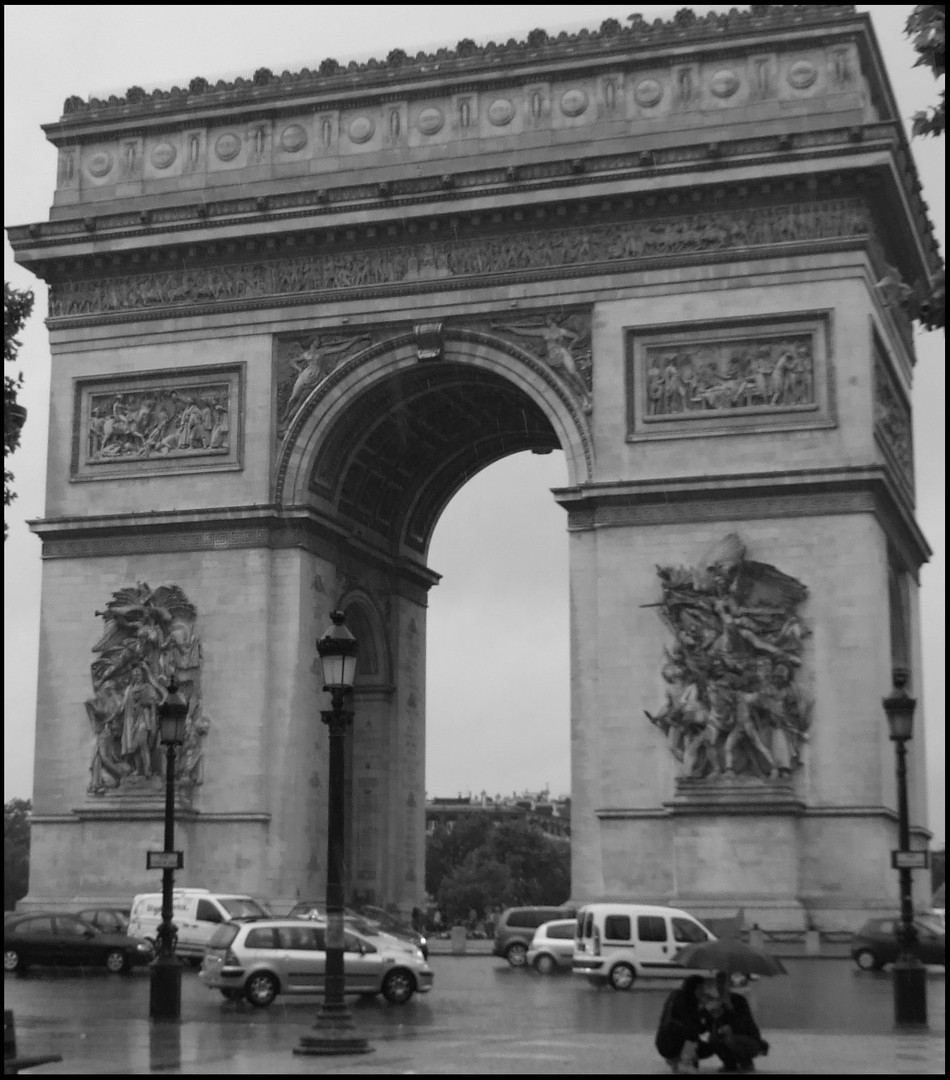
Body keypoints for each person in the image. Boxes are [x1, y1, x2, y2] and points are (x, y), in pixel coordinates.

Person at [702, 973, 770, 1073]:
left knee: (730, 1039)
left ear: (729, 985)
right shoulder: (716, 1003)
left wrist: (730, 1009)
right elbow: (708, 1027)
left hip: (748, 1039)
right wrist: (712, 1016)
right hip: (725, 1037)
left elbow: (744, 1025)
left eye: (724, 984)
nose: (721, 987)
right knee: (714, 1039)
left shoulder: (739, 1001)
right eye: (719, 983)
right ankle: (730, 1064)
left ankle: (746, 1063)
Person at [655, 974, 716, 1073]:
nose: (703, 991)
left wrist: (706, 1012)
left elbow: (701, 1028)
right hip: (669, 1042)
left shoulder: (689, 1000)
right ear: (693, 988)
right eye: (700, 988)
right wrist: (702, 1009)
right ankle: (681, 1061)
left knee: (710, 1047)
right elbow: (691, 1024)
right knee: (690, 1031)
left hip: (673, 1041)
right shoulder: (680, 999)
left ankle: (679, 1060)